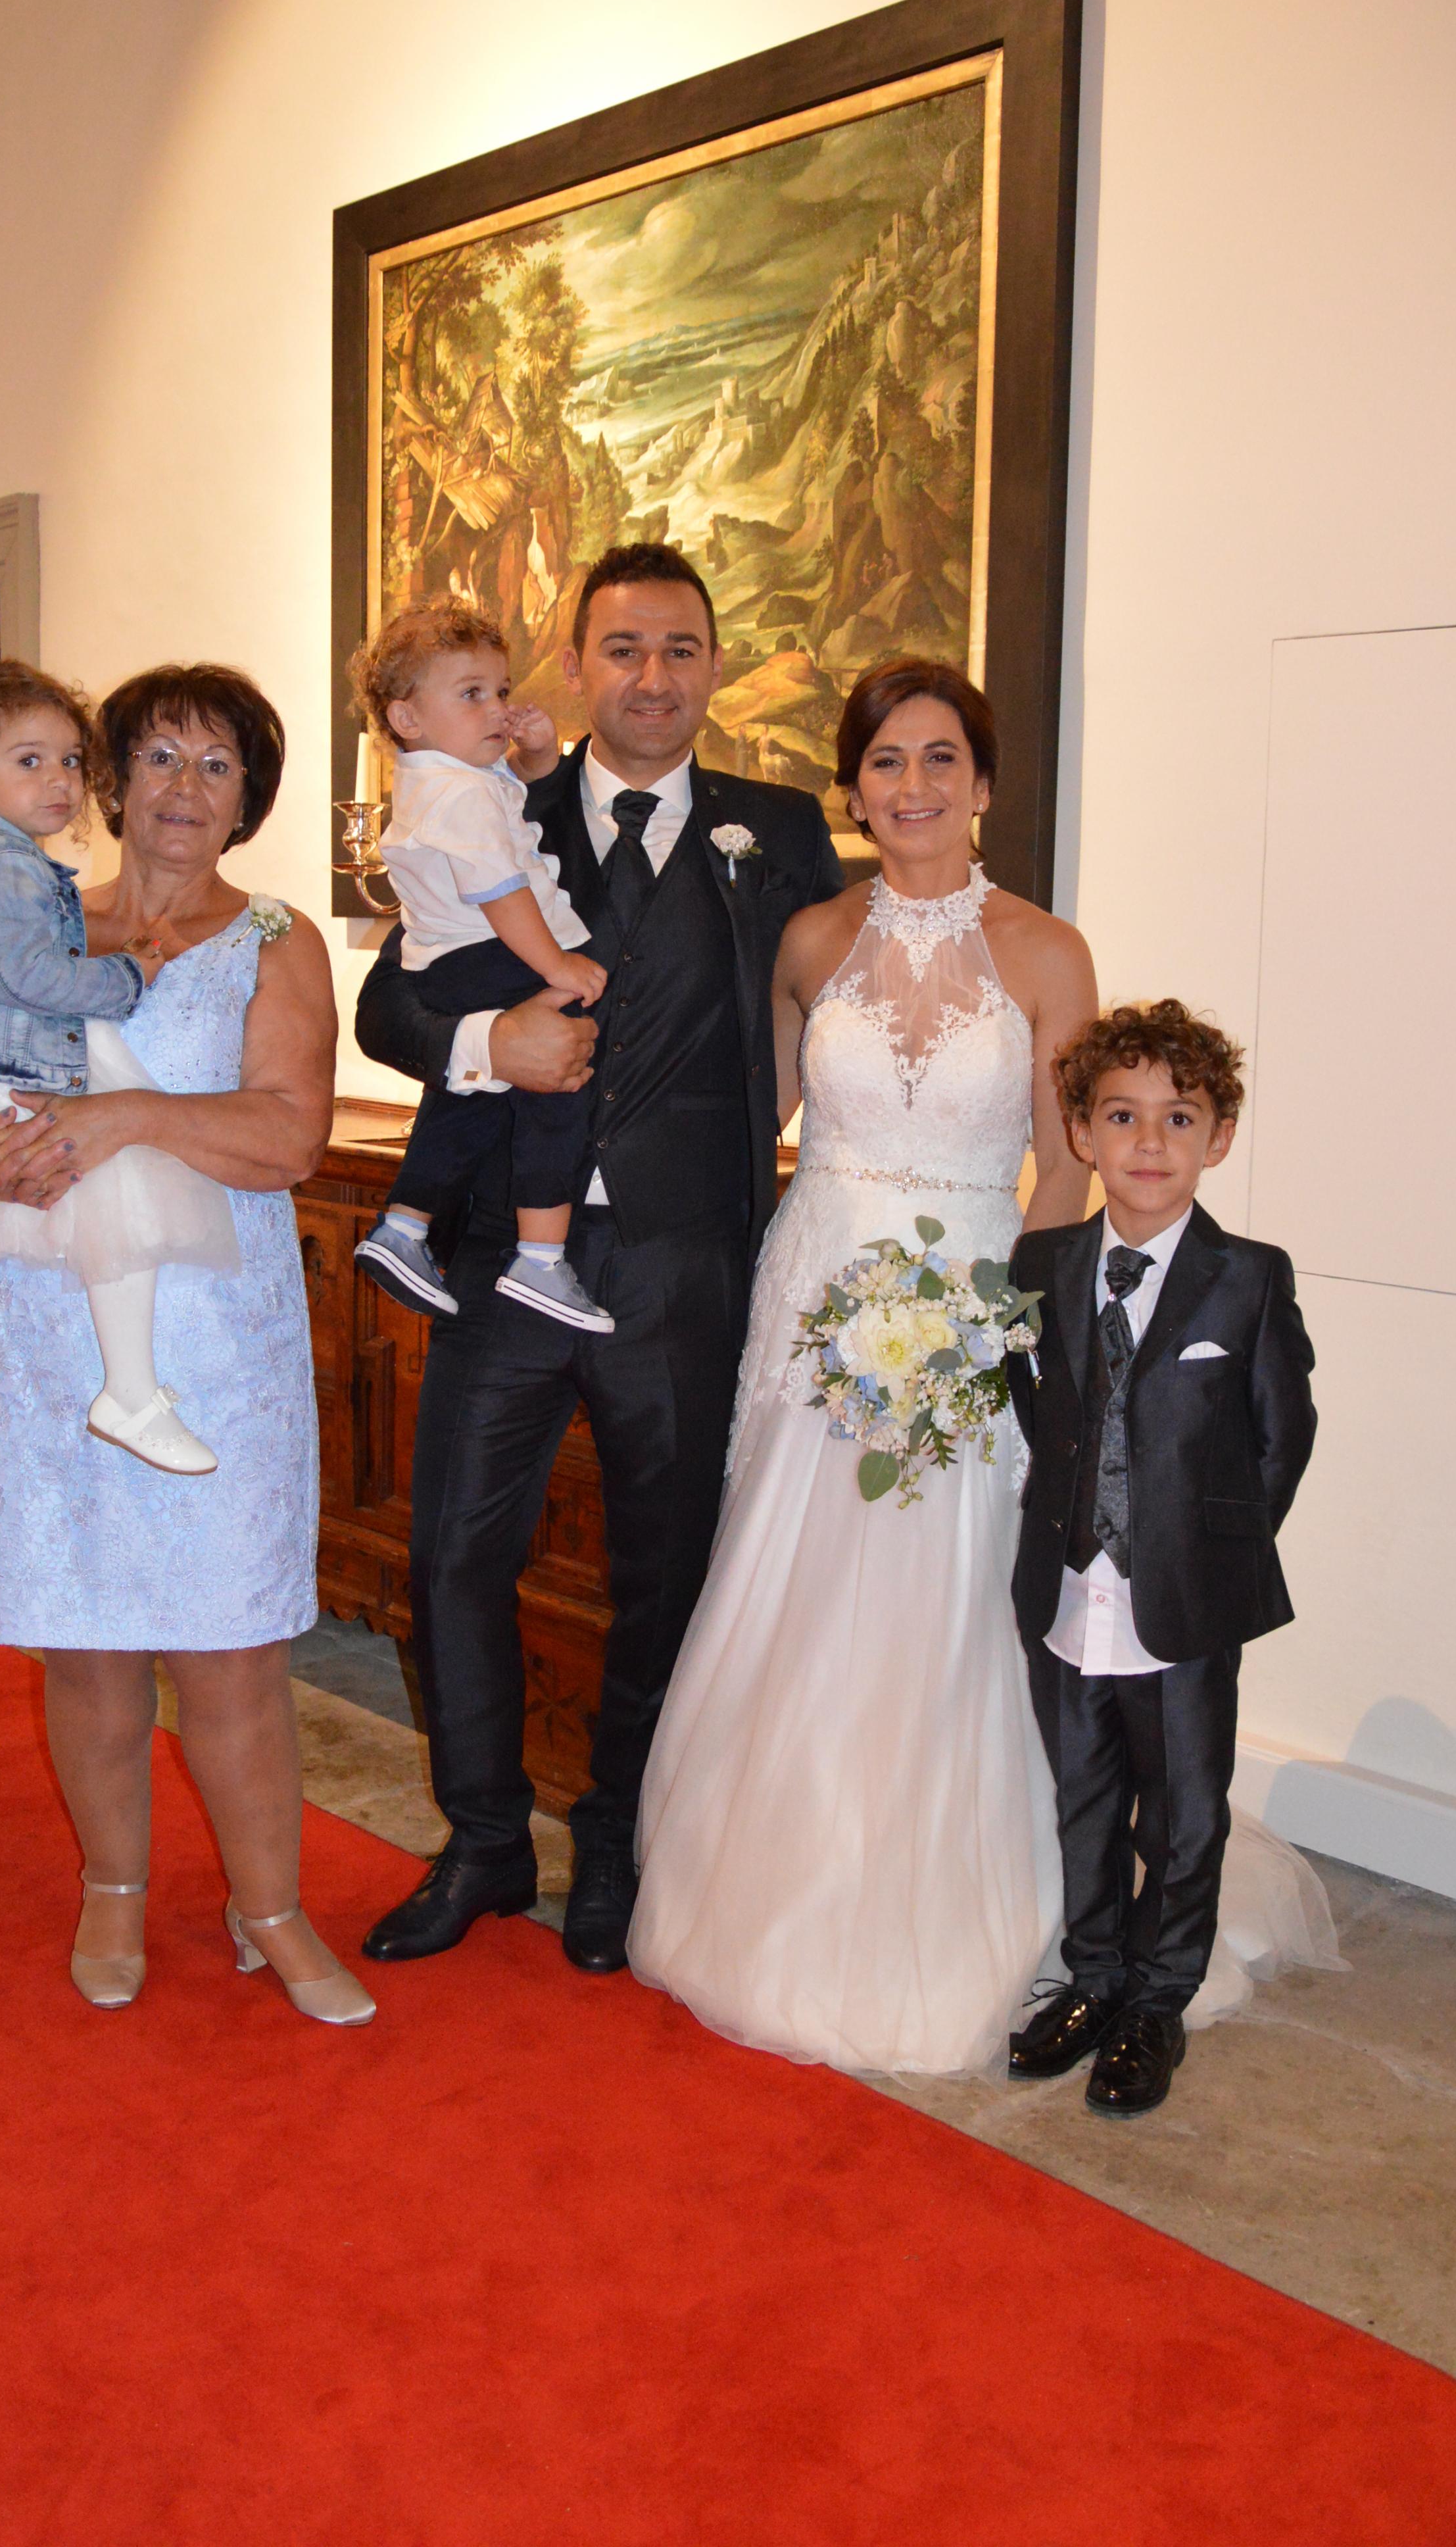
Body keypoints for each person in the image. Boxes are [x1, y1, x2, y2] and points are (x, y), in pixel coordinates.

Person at [354, 542, 842, 1973]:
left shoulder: (776, 829)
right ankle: (484, 1839)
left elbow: (841, 1003)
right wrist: (482, 1042)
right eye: (622, 648)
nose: (651, 676)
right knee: (453, 1551)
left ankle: (619, 1837)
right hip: (506, 1257)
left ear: (713, 665)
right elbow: (389, 1007)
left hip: (685, 1268)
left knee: (662, 1569)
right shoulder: (485, 792)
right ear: (574, 665)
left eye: (680, 648)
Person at [0, 664, 373, 2028]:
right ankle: (112, 1884)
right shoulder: (27, 908)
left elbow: (288, 1136)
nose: (183, 789)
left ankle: (269, 1909)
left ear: (248, 798)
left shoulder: (272, 938)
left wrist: (127, 1117)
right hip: (46, 1327)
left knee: (231, 1648)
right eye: (158, 757)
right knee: (84, 1640)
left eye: (217, 766)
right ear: (111, 778)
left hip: (212, 1341)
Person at [628, 657, 1095, 2073]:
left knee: (941, 1593)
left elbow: (1063, 1165)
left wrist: (989, 1326)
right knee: (794, 1585)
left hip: (969, 1301)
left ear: (983, 782)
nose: (912, 785)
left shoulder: (1043, 950)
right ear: (849, 788)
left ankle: (943, 1908)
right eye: (885, 761)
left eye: (940, 757)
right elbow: (752, 1116)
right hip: (813, 1293)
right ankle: (766, 1890)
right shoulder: (808, 939)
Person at [1006, 1003, 1321, 2117]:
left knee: (1182, 1815)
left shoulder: (1246, 1278)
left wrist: (1206, 1551)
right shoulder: (1041, 1262)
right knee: (1084, 1800)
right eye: (1120, 1116)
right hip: (1064, 1590)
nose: (1147, 1142)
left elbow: (1281, 1436)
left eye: (1177, 1119)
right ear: (1080, 1134)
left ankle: (1156, 1999)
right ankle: (1093, 1977)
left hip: (1183, 1598)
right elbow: (1037, 1406)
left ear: (1217, 1137)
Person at [0, 656, 233, 1473]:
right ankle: (129, 1393)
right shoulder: (3, 863)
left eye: (70, 759)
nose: (60, 780)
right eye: (28, 760)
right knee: (120, 1174)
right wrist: (132, 972)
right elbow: (34, 978)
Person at [347, 600, 613, 1335]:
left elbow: (510, 808)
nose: (497, 708)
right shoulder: (460, 791)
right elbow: (502, 891)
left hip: (452, 963)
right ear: (407, 717)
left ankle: (405, 1226)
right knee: (558, 1084)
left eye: (500, 690)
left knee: (471, 1096)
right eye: (472, 694)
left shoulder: (446, 777)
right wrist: (558, 966)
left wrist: (534, 759)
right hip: (489, 952)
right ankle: (540, 1255)